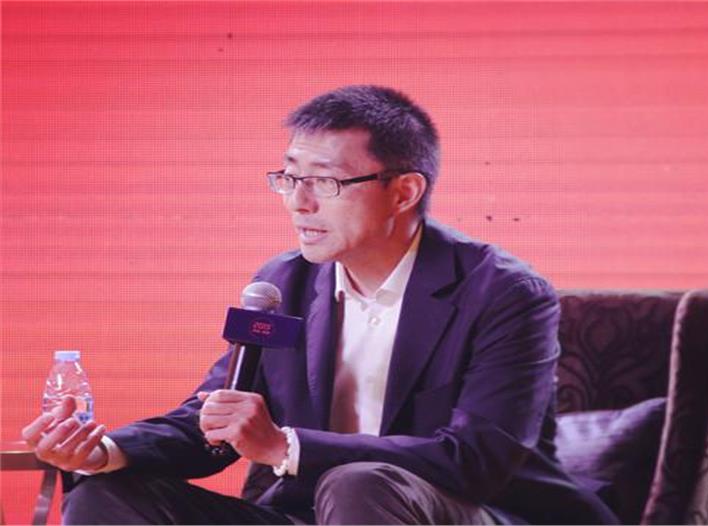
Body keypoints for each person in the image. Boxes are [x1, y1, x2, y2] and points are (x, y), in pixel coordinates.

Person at [21, 85, 617, 525]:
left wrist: (285, 447)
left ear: (404, 191)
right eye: (288, 178)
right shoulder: (283, 283)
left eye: (325, 182)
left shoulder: (502, 292)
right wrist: (106, 450)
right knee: (105, 496)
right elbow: (216, 419)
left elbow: (478, 458)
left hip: (470, 512)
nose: (298, 203)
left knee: (359, 484)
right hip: (308, 512)